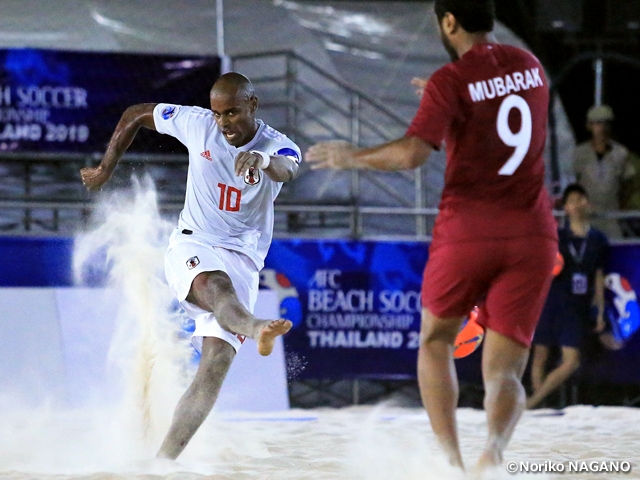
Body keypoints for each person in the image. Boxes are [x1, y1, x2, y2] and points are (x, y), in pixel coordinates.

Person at [306, 0, 557, 474]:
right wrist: (449, 99)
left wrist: (350, 156)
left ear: (449, 22)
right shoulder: (530, 65)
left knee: (435, 342)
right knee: (505, 371)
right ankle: (494, 453)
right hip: (531, 233)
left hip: (470, 229)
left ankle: (452, 462)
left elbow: (410, 155)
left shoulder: (452, 81)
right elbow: (501, 111)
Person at [80, 72, 301, 459]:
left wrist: (262, 160)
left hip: (245, 259)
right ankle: (257, 325)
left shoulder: (279, 146)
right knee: (219, 290)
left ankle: (162, 463)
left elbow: (288, 169)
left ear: (253, 105)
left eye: (232, 113)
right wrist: (105, 169)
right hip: (193, 243)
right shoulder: (198, 125)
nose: (224, 122)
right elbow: (135, 114)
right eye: (218, 114)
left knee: (214, 366)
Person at [527, 184, 608, 409]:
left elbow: (599, 277)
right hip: (552, 299)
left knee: (572, 360)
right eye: (572, 200)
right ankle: (540, 408)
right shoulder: (557, 236)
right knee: (540, 354)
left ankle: (532, 403)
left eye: (581, 199)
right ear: (566, 207)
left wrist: (599, 310)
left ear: (588, 203)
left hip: (576, 305)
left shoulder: (598, 239)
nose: (577, 204)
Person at [572, 104, 636, 239]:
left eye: (606, 123)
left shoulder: (620, 153)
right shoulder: (580, 153)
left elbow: (630, 184)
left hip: (612, 219)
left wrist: (621, 205)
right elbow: (572, 183)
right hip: (586, 218)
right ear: (589, 126)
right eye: (597, 123)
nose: (602, 128)